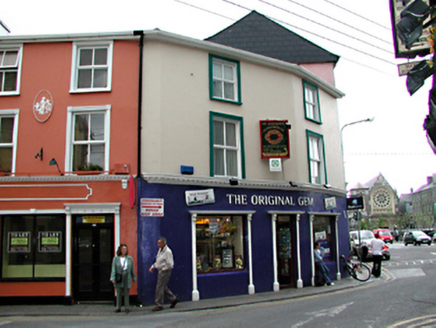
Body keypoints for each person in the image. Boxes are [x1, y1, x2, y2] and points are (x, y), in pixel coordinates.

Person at [149, 237, 179, 311]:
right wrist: (153, 266)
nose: (158, 244)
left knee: (159, 287)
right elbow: (159, 260)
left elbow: (170, 264)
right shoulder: (160, 250)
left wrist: (163, 269)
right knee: (163, 286)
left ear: (164, 243)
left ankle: (159, 304)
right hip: (161, 270)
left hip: (165, 271)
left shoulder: (168, 252)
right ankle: (173, 299)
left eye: (159, 243)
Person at [110, 244, 136, 314]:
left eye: (126, 249)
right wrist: (113, 278)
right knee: (118, 293)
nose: (125, 250)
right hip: (119, 277)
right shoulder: (116, 259)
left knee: (126, 292)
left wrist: (133, 277)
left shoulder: (129, 259)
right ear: (120, 250)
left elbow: (132, 269)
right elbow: (113, 269)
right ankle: (118, 307)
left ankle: (127, 307)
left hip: (127, 276)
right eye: (123, 249)